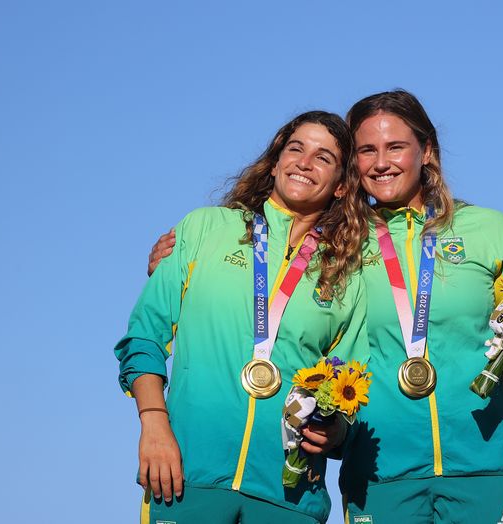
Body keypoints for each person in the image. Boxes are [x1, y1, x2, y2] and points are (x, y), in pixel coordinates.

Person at [148, 91, 503, 523]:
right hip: (378, 469)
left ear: (427, 151)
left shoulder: (489, 229)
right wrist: (172, 265)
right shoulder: (340, 245)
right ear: (352, 165)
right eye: (366, 150)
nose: (381, 162)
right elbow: (264, 289)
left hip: (481, 459)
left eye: (395, 146)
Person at [117, 111, 371, 524]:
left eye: (324, 157)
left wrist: (337, 429)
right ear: (274, 163)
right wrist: (154, 424)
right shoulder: (203, 229)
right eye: (296, 149)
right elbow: (144, 338)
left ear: (342, 185)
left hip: (289, 496)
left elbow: (353, 379)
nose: (305, 162)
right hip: (184, 476)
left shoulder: (346, 273)